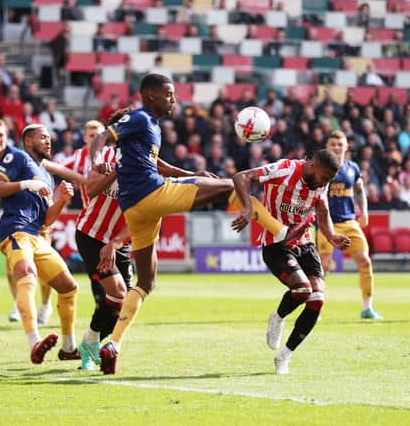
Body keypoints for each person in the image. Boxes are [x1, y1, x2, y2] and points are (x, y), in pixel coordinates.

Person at [90, 74, 312, 374]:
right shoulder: (141, 118)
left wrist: (191, 176)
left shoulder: (150, 128)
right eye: (168, 93)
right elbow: (104, 136)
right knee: (229, 184)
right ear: (150, 95)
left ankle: (113, 343)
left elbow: (158, 165)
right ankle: (280, 230)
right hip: (152, 193)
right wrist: (95, 160)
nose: (174, 98)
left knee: (145, 282)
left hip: (136, 210)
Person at [233, 149, 351, 374]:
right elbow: (241, 176)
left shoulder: (321, 183)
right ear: (313, 165)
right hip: (276, 245)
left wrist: (332, 235)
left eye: (328, 180)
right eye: (324, 178)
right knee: (303, 290)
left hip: (304, 244)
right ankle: (277, 318)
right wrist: (248, 207)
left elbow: (322, 210)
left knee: (317, 299)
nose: (324, 183)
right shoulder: (285, 169)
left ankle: (284, 356)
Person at [0, 123, 80, 364]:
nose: (49, 141)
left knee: (69, 287)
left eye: (49, 138)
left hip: (38, 236)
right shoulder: (18, 156)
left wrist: (62, 200)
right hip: (16, 230)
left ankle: (69, 347)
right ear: (29, 141)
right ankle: (34, 342)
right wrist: (26, 184)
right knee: (27, 274)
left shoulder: (47, 175)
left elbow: (46, 220)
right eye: (43, 138)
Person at [74, 112, 134, 371]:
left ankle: (91, 340)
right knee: (115, 294)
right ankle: (90, 344)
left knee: (126, 301)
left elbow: (142, 212)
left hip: (118, 241)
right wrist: (113, 174)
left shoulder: (145, 165)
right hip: (92, 235)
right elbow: (91, 189)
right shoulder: (106, 156)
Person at [319, 131, 382, 319]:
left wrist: (364, 211)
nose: (336, 147)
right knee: (323, 265)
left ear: (346, 146)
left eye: (340, 144)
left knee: (365, 261)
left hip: (349, 222)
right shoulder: (320, 168)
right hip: (326, 223)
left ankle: (367, 308)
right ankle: (316, 309)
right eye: (332, 144)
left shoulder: (352, 168)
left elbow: (359, 190)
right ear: (327, 146)